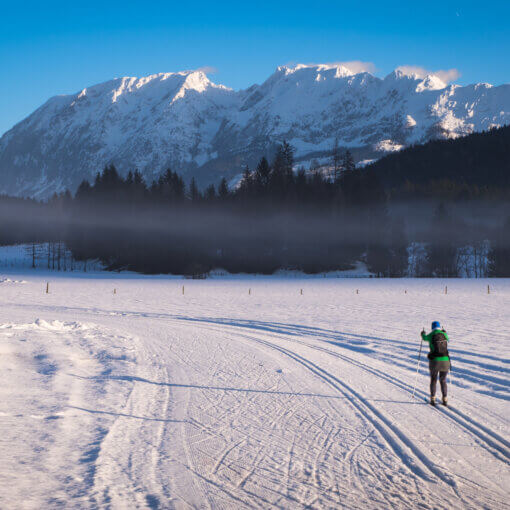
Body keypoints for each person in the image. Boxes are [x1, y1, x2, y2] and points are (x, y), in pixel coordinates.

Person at [421, 321, 450, 406]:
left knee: (433, 380)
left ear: (432, 327)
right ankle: (445, 399)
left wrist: (422, 333)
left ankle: (433, 399)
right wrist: (444, 332)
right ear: (439, 327)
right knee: (443, 380)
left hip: (435, 361)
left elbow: (424, 338)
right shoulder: (444, 334)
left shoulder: (431, 335)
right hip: (445, 361)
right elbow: (448, 339)